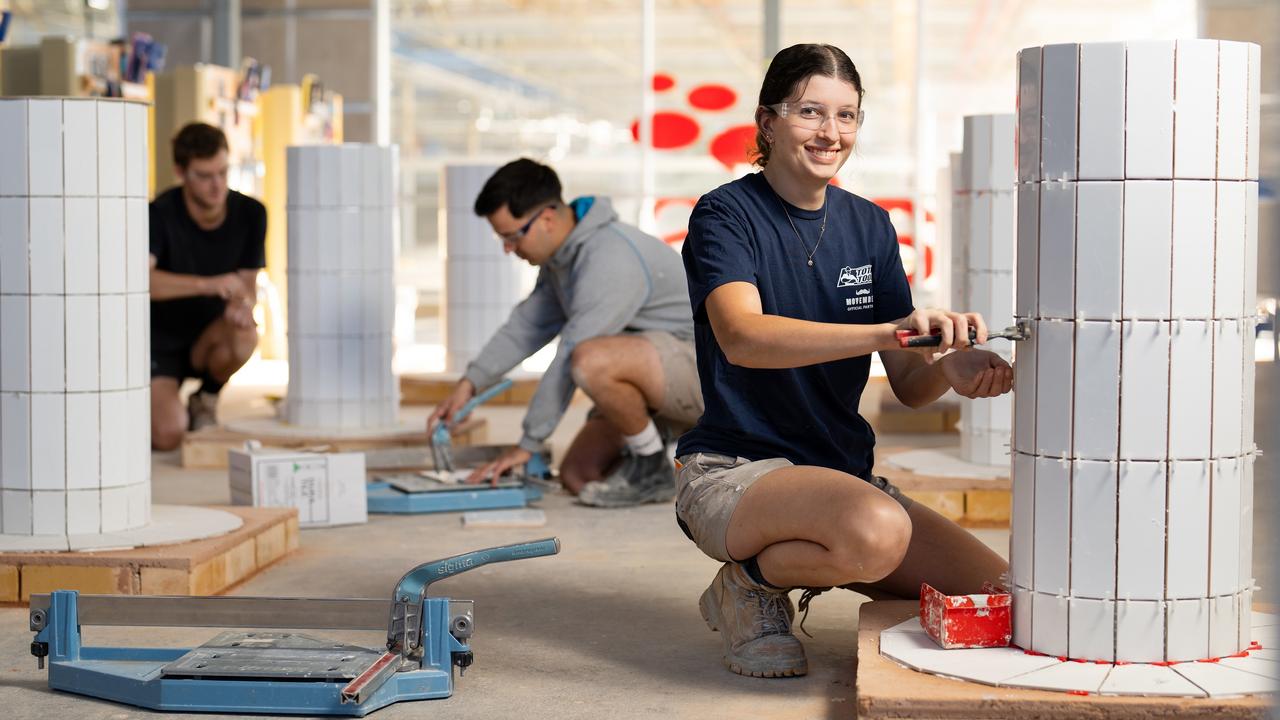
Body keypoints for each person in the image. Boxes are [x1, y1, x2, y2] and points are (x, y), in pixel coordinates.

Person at [676, 44, 1012, 679]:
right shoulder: (726, 215)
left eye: (847, 115)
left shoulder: (871, 226)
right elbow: (744, 338)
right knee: (875, 535)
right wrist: (887, 332)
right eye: (810, 112)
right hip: (736, 471)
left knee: (997, 591)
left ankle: (792, 562)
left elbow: (909, 384)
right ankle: (748, 585)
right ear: (767, 121)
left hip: (839, 478)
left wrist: (946, 363)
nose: (831, 133)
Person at [428, 159, 703, 508]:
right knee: (578, 476)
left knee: (589, 360)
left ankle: (652, 464)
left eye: (511, 237)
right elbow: (525, 327)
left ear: (545, 219)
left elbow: (572, 354)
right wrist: (469, 384)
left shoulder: (610, 257)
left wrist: (527, 444)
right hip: (653, 372)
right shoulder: (562, 259)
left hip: (703, 377)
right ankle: (658, 443)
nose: (507, 249)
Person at [149, 123, 265, 450]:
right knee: (169, 435)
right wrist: (208, 285)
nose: (217, 185)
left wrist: (242, 307)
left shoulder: (252, 213)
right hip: (161, 342)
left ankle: (207, 396)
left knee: (246, 334)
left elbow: (247, 286)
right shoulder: (159, 213)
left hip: (211, 336)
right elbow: (144, 283)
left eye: (223, 172)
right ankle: (156, 399)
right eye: (204, 175)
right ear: (181, 172)